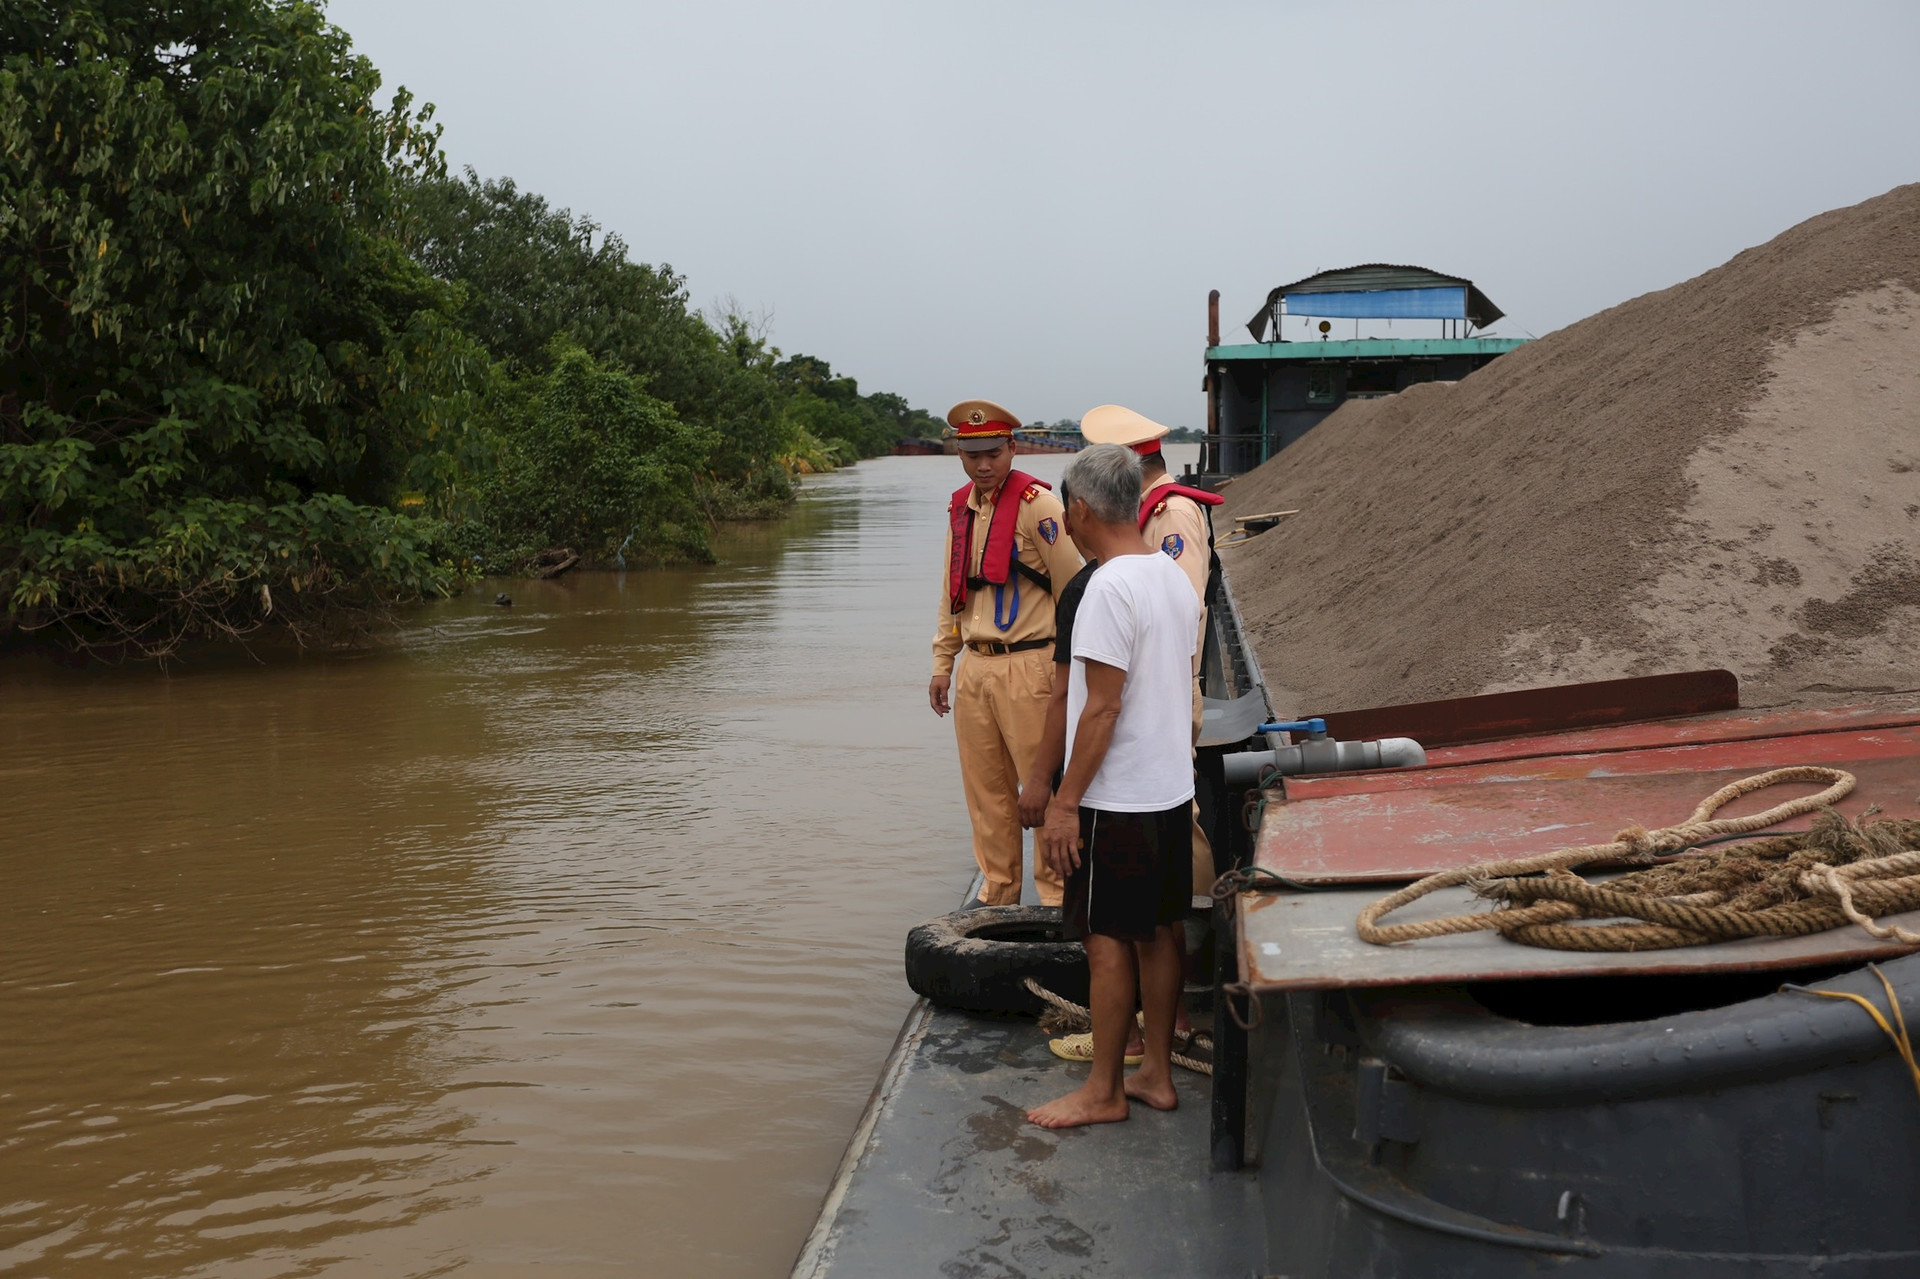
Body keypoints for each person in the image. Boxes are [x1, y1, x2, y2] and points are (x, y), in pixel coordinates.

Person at [1026, 444, 1201, 1130]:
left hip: (1116, 799)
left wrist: (1064, 801)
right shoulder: (1169, 576)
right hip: (1166, 790)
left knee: (1104, 939)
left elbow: (1100, 705)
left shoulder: (1106, 587)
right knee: (1160, 932)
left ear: (1078, 509)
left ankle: (1104, 1089)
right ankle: (1155, 1071)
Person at [930, 399, 1085, 908]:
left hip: (1031, 663)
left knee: (1040, 788)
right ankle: (997, 890)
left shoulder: (1039, 505)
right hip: (976, 666)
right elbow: (953, 594)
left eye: (993, 452)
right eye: (971, 454)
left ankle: (1057, 895)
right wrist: (942, 664)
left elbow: (1075, 588)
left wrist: (1071, 673)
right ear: (959, 452)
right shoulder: (962, 508)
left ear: (1012, 448)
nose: (983, 465)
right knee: (986, 790)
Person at [1080, 404, 1225, 900]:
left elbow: (1181, 611)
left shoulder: (1172, 513)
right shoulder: (1148, 510)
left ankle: (1198, 921)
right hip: (1147, 687)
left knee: (1179, 815)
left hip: (1163, 688)